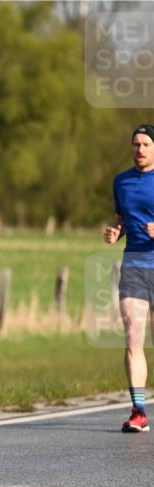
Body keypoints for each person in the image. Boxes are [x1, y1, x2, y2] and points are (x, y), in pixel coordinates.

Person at [103, 123, 154, 432]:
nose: (140, 149)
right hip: (135, 264)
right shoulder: (121, 182)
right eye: (136, 144)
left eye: (146, 144)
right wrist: (116, 232)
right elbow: (122, 218)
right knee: (133, 333)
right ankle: (139, 411)